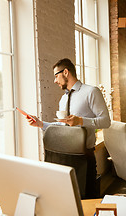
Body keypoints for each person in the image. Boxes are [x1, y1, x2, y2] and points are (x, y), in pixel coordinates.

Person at [27, 58, 111, 198]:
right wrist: (41, 124)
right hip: (62, 158)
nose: (55, 81)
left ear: (65, 72)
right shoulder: (63, 99)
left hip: (84, 157)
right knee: (66, 199)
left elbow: (106, 122)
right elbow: (62, 126)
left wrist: (80, 121)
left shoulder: (91, 92)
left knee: (86, 199)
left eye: (56, 76)